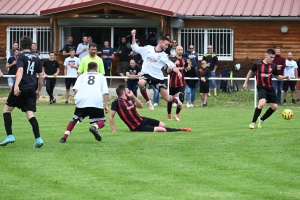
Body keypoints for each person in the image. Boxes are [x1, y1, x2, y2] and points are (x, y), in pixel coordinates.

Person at [0, 36, 44, 148]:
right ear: (30, 46)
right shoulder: (37, 58)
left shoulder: (20, 56)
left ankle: (10, 135)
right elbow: (41, 76)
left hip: (22, 87)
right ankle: (38, 139)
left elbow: (20, 70)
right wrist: (38, 90)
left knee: (6, 110)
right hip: (31, 88)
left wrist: (16, 86)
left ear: (20, 45)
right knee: (30, 113)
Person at [130, 29, 184, 111]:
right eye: (166, 45)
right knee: (141, 83)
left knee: (167, 98)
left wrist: (178, 72)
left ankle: (177, 101)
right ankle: (148, 102)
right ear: (160, 43)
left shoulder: (164, 56)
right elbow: (135, 47)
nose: (167, 47)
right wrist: (133, 35)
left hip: (157, 77)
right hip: (146, 74)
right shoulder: (148, 49)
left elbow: (172, 65)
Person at [59, 62, 109, 143]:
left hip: (82, 100)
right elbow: (105, 92)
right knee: (102, 122)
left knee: (74, 120)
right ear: (97, 69)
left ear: (87, 69)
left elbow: (76, 89)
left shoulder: (82, 76)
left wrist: (77, 100)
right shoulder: (101, 77)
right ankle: (94, 127)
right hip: (95, 100)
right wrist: (106, 105)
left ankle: (64, 138)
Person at [110, 85, 192, 132]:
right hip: (137, 126)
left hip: (142, 120)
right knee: (161, 129)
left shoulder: (130, 99)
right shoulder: (117, 102)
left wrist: (133, 96)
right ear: (123, 92)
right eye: (126, 90)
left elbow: (141, 106)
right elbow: (111, 116)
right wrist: (114, 130)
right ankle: (180, 129)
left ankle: (180, 129)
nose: (128, 91)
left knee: (163, 124)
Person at [243, 49, 290, 129]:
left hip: (270, 88)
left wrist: (285, 77)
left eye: (273, 57)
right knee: (261, 103)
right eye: (271, 57)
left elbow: (277, 77)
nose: (272, 59)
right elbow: (250, 72)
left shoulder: (273, 66)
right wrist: (245, 82)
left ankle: (262, 119)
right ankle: (253, 122)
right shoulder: (258, 64)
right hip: (261, 87)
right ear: (266, 55)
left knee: (275, 107)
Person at [167, 46, 191, 121]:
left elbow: (188, 68)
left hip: (181, 82)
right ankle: (169, 114)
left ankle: (177, 114)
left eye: (181, 50)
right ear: (176, 51)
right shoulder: (172, 59)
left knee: (181, 96)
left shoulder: (184, 59)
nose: (180, 51)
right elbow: (168, 71)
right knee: (170, 99)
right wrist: (174, 64)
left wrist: (189, 65)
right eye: (179, 50)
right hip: (173, 82)